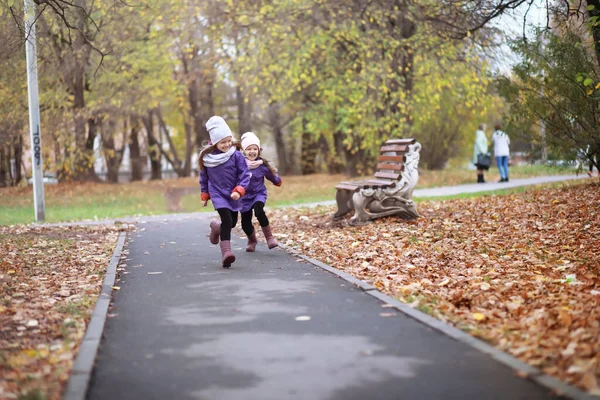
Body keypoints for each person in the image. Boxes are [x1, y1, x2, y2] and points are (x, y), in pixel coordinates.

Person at [199, 116, 251, 268]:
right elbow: (204, 178)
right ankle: (226, 253)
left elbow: (245, 174)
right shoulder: (208, 158)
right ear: (214, 142)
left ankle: (216, 227)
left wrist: (239, 190)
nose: (227, 144)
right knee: (228, 221)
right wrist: (205, 195)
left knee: (232, 222)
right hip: (217, 193)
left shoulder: (236, 155)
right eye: (223, 142)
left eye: (229, 140)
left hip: (233, 193)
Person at [239, 131, 282, 252]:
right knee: (245, 223)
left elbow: (271, 174)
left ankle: (269, 237)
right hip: (244, 197)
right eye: (249, 149)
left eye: (254, 149)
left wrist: (277, 181)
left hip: (258, 194)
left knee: (259, 211)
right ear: (244, 151)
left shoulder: (262, 165)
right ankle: (252, 240)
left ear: (259, 150)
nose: (252, 151)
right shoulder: (240, 165)